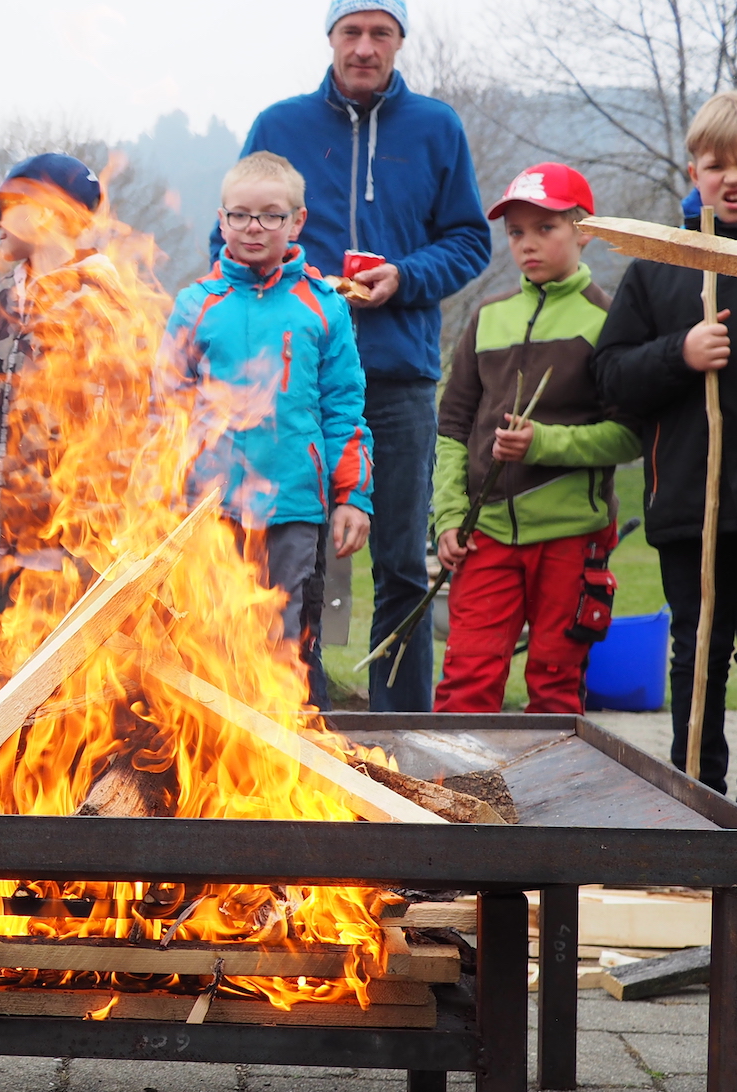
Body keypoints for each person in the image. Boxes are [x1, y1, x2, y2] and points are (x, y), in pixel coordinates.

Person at [220, 0, 490, 710]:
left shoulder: (436, 127)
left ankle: (398, 727)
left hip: (399, 375)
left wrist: (404, 277)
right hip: (293, 384)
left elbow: (469, 241)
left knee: (400, 560)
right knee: (291, 554)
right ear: (331, 38)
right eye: (352, 32)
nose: (364, 47)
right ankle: (295, 715)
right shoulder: (280, 126)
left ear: (399, 41)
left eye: (380, 33)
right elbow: (239, 230)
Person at [596, 91, 737, 814]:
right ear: (693, 171)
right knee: (695, 652)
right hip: (686, 502)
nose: (733, 178)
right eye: (715, 166)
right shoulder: (659, 265)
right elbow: (610, 378)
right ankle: (691, 794)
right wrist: (681, 352)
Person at [0, 152, 132, 703]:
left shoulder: (101, 306)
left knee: (54, 703)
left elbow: (121, 428)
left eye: (8, 207)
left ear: (48, 215)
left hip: (57, 551)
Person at [434, 164, 638, 718]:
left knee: (555, 687)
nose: (528, 244)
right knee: (465, 683)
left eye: (545, 228)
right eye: (517, 232)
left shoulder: (609, 318)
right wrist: (450, 517)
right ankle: (451, 801)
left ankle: (551, 808)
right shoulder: (487, 316)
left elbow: (629, 436)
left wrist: (542, 443)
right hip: (486, 535)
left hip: (572, 536)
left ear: (583, 229)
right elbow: (452, 427)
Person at [165, 151, 373, 677]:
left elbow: (343, 410)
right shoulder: (196, 305)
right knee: (211, 637)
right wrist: (159, 490)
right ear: (222, 219)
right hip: (210, 509)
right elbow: (164, 407)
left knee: (283, 642)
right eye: (240, 214)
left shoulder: (324, 305)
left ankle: (279, 750)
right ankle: (211, 751)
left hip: (293, 506)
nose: (254, 227)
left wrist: (353, 497)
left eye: (271, 215)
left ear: (297, 220)